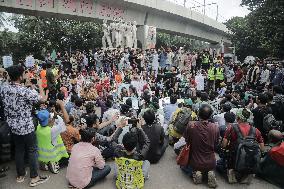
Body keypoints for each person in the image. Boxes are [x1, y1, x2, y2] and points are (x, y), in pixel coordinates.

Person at [0, 65, 49, 186]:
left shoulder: (4, 88)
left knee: (19, 149)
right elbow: (42, 99)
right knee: (32, 150)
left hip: (13, 126)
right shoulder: (24, 91)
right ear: (20, 76)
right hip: (26, 126)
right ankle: (34, 177)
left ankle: (20, 175)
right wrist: (40, 86)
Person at [222, 108, 264, 184]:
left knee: (221, 162)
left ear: (238, 117)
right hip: (250, 158)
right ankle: (247, 174)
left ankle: (232, 173)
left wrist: (223, 148)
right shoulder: (255, 130)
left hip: (234, 157)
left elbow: (224, 145)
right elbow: (262, 148)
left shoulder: (231, 128)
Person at [182, 104, 219, 188]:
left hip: (195, 162)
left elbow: (186, 141)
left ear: (198, 114)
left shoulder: (191, 125)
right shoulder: (215, 127)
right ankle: (209, 173)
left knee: (182, 166)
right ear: (210, 116)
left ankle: (195, 173)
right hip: (211, 162)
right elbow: (216, 144)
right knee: (215, 165)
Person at [36, 103, 69, 174]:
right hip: (51, 153)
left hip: (41, 153)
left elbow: (49, 125)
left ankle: (43, 166)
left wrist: (54, 117)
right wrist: (57, 115)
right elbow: (64, 123)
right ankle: (53, 167)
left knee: (43, 160)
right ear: (48, 119)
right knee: (53, 161)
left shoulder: (38, 127)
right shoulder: (53, 130)